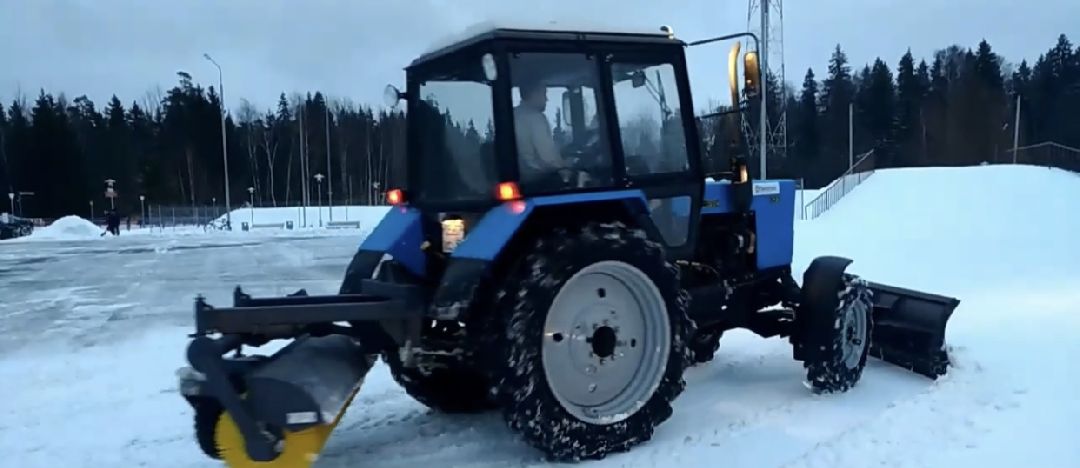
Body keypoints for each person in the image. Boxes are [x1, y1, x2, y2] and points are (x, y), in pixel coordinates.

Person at [513, 82, 567, 181]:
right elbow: (548, 157)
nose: (546, 99)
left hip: (520, 177)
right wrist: (566, 168)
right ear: (534, 94)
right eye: (544, 94)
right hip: (538, 179)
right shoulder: (535, 118)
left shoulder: (512, 115)